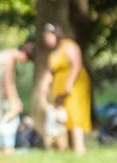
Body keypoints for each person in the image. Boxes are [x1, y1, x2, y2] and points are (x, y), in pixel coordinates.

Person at [39, 23, 92, 155]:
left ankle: (80, 147)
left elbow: (76, 65)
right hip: (59, 85)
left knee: (75, 114)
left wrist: (68, 85)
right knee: (62, 116)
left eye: (48, 37)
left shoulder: (69, 46)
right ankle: (65, 146)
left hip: (75, 85)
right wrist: (44, 84)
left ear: (55, 35)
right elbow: (50, 71)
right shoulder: (53, 53)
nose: (46, 40)